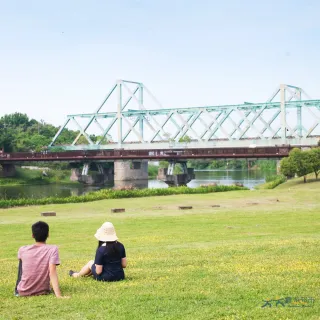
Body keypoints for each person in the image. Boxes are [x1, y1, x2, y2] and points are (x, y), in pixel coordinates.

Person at [15, 221, 67, 298]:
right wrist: (59, 295)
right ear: (48, 234)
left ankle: (18, 289)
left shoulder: (22, 249)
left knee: (22, 262)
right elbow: (52, 272)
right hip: (43, 291)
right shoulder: (52, 249)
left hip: (22, 291)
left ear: (32, 235)